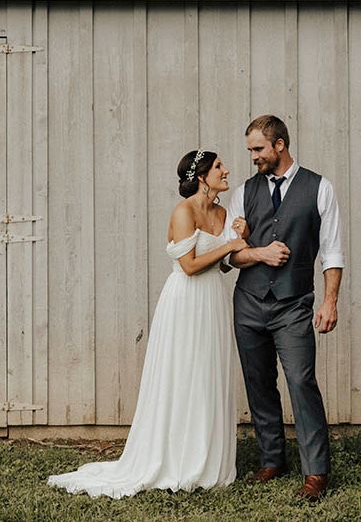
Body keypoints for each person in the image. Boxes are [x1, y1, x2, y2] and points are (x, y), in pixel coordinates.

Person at [48, 149, 249, 498]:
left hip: (213, 300)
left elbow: (222, 265)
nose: (226, 170)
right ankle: (173, 458)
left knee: (207, 374)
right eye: (219, 167)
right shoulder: (183, 212)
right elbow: (189, 265)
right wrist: (232, 243)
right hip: (186, 301)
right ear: (201, 176)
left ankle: (205, 459)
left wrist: (237, 240)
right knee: (182, 374)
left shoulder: (221, 212)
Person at [228, 114, 344, 502]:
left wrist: (329, 301)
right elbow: (231, 257)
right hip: (248, 303)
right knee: (258, 382)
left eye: (258, 149)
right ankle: (272, 458)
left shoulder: (319, 188)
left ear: (280, 145)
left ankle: (316, 471)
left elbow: (331, 251)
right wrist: (258, 251)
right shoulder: (244, 192)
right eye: (250, 150)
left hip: (293, 304)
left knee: (300, 381)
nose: (253, 157)